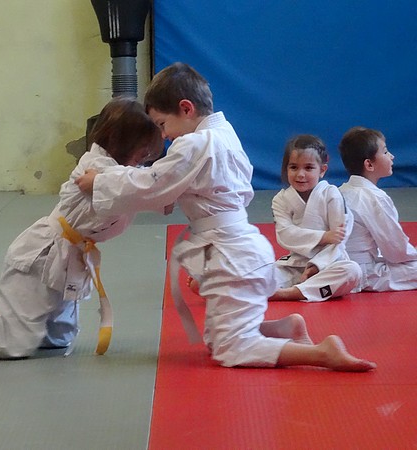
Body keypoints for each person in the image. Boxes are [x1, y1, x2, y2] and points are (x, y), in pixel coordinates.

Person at [75, 62, 375, 371]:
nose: (163, 135)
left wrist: (99, 180)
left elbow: (153, 183)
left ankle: (323, 353)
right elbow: (167, 185)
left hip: (232, 256)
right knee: (217, 339)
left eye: (162, 124)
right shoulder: (223, 132)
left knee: (231, 350)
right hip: (240, 249)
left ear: (186, 108)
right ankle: (287, 328)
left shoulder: (194, 144)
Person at [0, 97, 164, 358]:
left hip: (66, 262)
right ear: (121, 143)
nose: (145, 159)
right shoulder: (99, 171)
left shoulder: (117, 170)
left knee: (58, 339)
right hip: (41, 259)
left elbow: (137, 184)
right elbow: (133, 188)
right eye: (143, 152)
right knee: (17, 344)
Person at [269, 135, 362, 301]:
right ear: (286, 169)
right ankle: (302, 288)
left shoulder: (331, 194)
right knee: (256, 273)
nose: (300, 174)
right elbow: (285, 234)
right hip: (294, 265)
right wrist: (323, 236)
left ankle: (288, 293)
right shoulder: (280, 199)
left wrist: (316, 265)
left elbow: (339, 239)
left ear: (322, 170)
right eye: (293, 167)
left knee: (352, 271)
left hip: (329, 264)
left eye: (309, 168)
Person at [338, 126, 417, 292]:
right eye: (386, 152)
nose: (392, 156)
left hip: (341, 267)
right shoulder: (373, 198)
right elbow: (396, 251)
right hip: (365, 274)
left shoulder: (341, 191)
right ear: (369, 164)